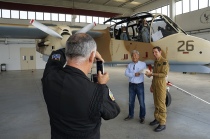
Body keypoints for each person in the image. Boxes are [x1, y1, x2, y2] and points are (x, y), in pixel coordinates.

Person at [42, 33, 120, 139]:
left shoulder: (50, 76)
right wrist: (102, 85)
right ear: (92, 56)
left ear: (68, 52)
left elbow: (55, 55)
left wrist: (72, 48)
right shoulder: (97, 91)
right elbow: (112, 111)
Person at [145, 46, 169, 132]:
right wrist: (152, 85)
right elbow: (154, 76)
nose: (154, 54)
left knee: (161, 104)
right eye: (153, 52)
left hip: (161, 85)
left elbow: (164, 74)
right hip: (155, 84)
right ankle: (157, 118)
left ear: (160, 52)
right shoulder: (155, 61)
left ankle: (162, 123)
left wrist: (152, 74)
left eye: (156, 52)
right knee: (156, 103)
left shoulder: (164, 61)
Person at [124, 50, 146, 124]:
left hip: (139, 85)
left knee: (142, 102)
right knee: (131, 102)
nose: (134, 57)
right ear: (131, 57)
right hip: (131, 85)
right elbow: (126, 73)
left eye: (136, 55)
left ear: (138, 56)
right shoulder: (129, 65)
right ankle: (130, 115)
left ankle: (142, 117)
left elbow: (144, 71)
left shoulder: (143, 64)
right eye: (133, 56)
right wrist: (134, 74)